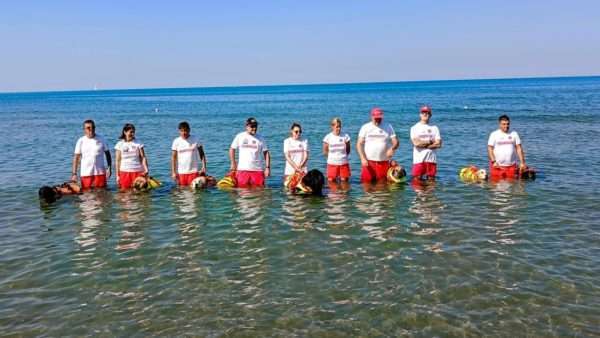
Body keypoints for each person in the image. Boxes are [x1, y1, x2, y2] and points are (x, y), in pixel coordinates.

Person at [356, 107, 399, 183]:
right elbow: (359, 144)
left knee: (382, 185)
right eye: (376, 118)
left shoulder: (388, 126)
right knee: (367, 184)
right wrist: (362, 158)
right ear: (371, 117)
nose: (378, 120)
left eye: (379, 118)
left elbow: (396, 142)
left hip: (383, 162)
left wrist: (392, 148)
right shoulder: (365, 127)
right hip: (368, 162)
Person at [229, 117, 271, 187]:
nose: (254, 128)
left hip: (258, 170)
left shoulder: (260, 138)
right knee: (243, 192)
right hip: (243, 170)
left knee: (259, 192)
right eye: (252, 126)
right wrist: (233, 163)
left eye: (255, 126)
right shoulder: (240, 136)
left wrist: (267, 168)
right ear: (247, 126)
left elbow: (266, 153)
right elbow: (232, 149)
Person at [71, 120, 112, 189]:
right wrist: (74, 174)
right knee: (87, 195)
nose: (91, 129)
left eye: (93, 127)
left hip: (100, 173)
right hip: (86, 173)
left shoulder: (102, 139)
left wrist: (109, 168)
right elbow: (76, 158)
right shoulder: (81, 141)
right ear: (84, 129)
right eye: (88, 128)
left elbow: (108, 154)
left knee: (102, 194)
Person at [487, 114, 527, 179]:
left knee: (511, 185)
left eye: (508, 124)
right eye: (504, 124)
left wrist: (522, 162)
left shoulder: (514, 134)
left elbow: (519, 148)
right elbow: (490, 149)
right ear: (499, 124)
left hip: (511, 166)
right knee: (495, 186)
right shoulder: (494, 134)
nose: (506, 126)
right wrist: (493, 161)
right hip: (497, 166)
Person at [410, 105, 442, 180]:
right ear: (420, 114)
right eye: (423, 112)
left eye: (427, 112)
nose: (425, 114)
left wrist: (423, 144)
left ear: (430, 115)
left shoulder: (434, 128)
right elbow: (416, 143)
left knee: (431, 181)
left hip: (431, 160)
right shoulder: (414, 128)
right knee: (417, 181)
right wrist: (430, 141)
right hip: (419, 159)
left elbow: (439, 144)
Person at [171, 121, 207, 186]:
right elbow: (173, 158)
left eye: (185, 131)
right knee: (182, 192)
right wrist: (173, 172)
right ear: (179, 131)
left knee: (194, 193)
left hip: (194, 171)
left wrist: (204, 167)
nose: (184, 133)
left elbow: (202, 154)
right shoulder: (176, 141)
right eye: (182, 131)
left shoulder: (196, 139)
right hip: (181, 172)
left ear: (189, 130)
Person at [114, 123, 149, 189]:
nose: (132, 134)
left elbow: (143, 157)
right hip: (124, 172)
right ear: (125, 132)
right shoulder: (119, 144)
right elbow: (118, 161)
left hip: (137, 171)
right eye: (131, 132)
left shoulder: (138, 143)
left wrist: (146, 169)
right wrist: (117, 175)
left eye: (133, 132)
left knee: (139, 193)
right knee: (125, 194)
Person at [322, 117, 351, 182]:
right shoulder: (328, 137)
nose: (339, 128)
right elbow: (325, 151)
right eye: (337, 126)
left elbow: (348, 150)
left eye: (340, 126)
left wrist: (342, 157)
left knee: (344, 182)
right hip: (332, 163)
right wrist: (331, 158)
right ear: (332, 126)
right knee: (331, 182)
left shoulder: (346, 136)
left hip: (343, 163)